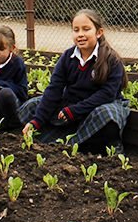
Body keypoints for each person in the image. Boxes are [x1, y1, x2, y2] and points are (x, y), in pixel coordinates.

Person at [20, 9, 129, 153]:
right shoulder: (67, 57)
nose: (80, 34)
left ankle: (77, 144)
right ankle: (77, 142)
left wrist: (75, 111)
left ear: (99, 32)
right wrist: (36, 121)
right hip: (71, 104)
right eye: (76, 30)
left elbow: (106, 95)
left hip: (98, 106)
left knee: (107, 116)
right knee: (32, 106)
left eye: (86, 29)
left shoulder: (111, 59)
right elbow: (54, 89)